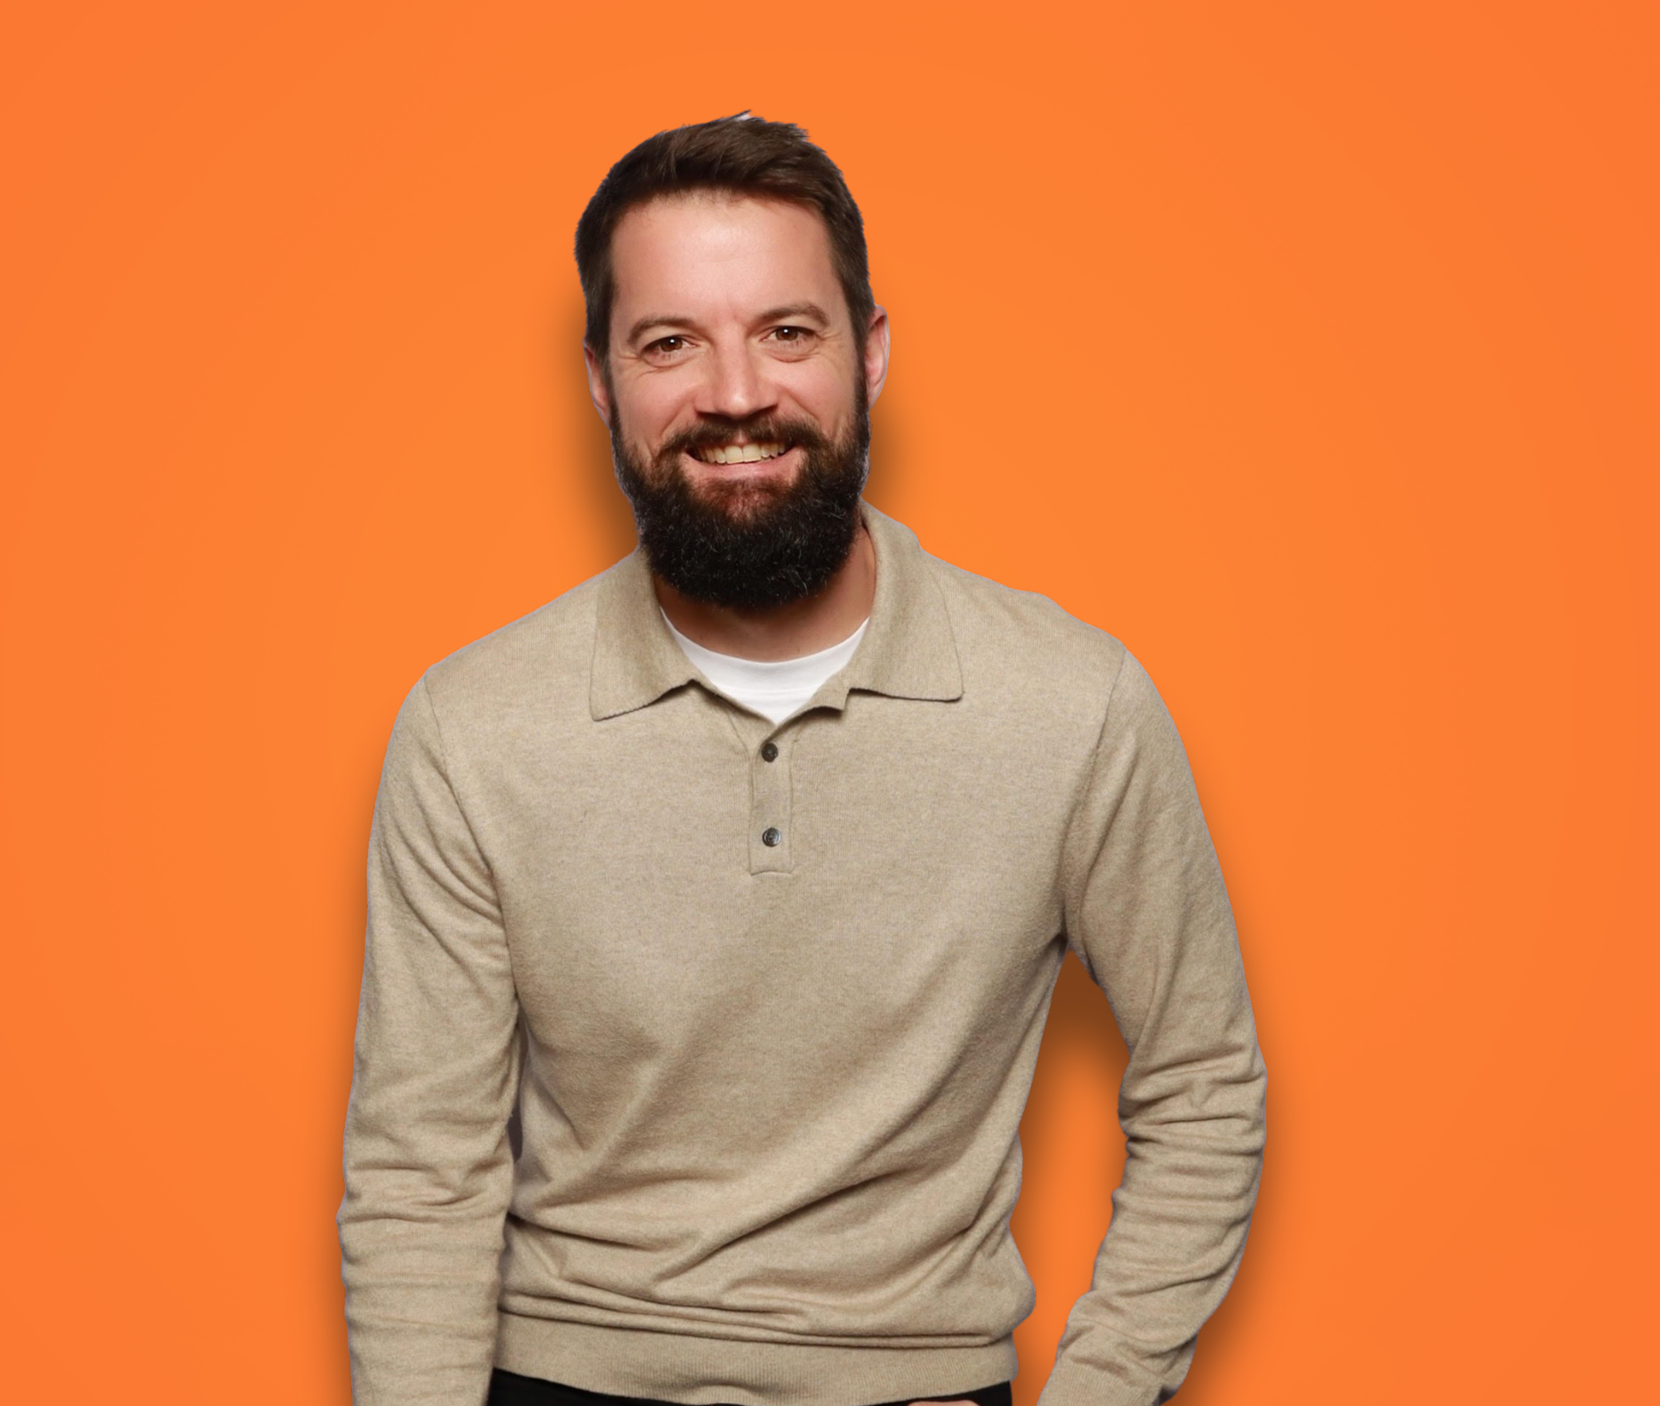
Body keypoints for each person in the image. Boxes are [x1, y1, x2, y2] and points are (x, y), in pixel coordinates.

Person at [340, 114, 1266, 1406]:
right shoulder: (474, 725)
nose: (735, 392)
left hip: (919, 1381)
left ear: (870, 354)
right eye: (670, 342)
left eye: (789, 331)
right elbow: (419, 1168)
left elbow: (1205, 1084)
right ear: (602, 381)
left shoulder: (1071, 702)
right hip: (563, 1372)